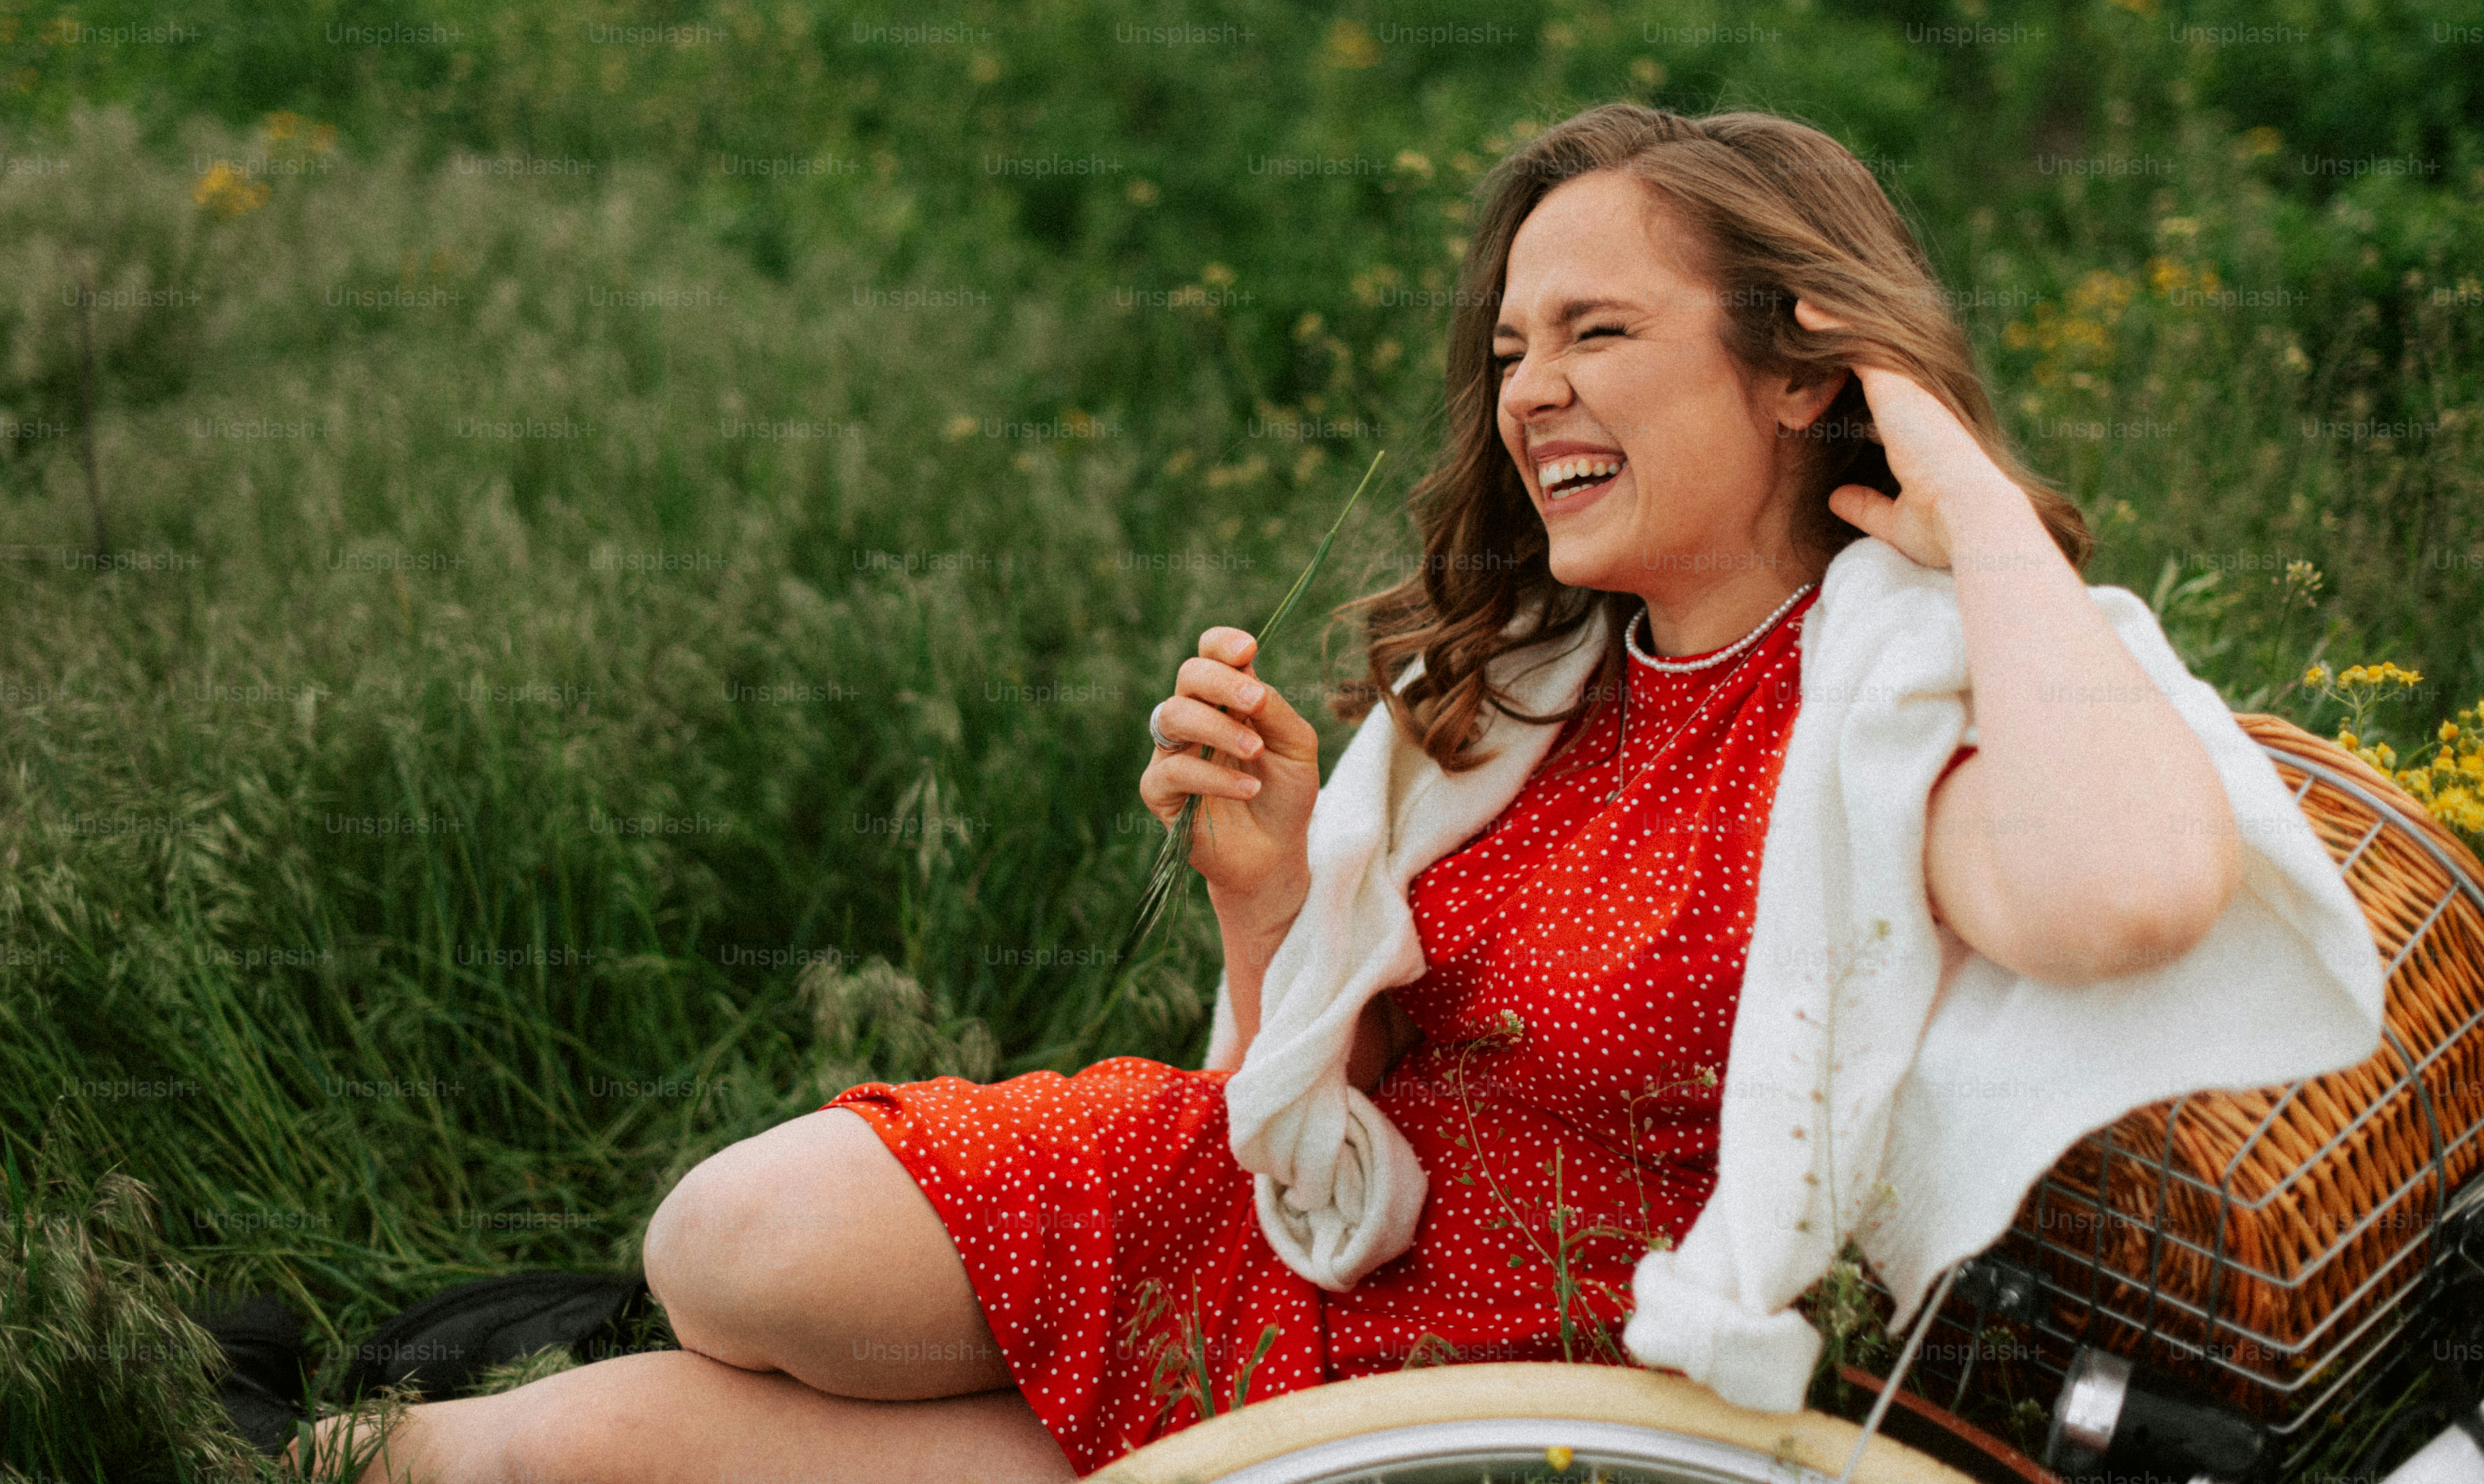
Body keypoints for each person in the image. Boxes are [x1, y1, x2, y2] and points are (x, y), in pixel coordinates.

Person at [313, 103, 2241, 1481]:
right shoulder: (1527, 686)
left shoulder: (1894, 707)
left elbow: (2131, 894)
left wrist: (1967, 494)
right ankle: (224, 1422)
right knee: (729, 1245)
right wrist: (1268, 895)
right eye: (1509, 347)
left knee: (574, 1448)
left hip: (1511, 1365)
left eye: (1598, 333)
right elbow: (1292, 1086)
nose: (1529, 391)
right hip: (1293, 1233)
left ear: (1801, 370)